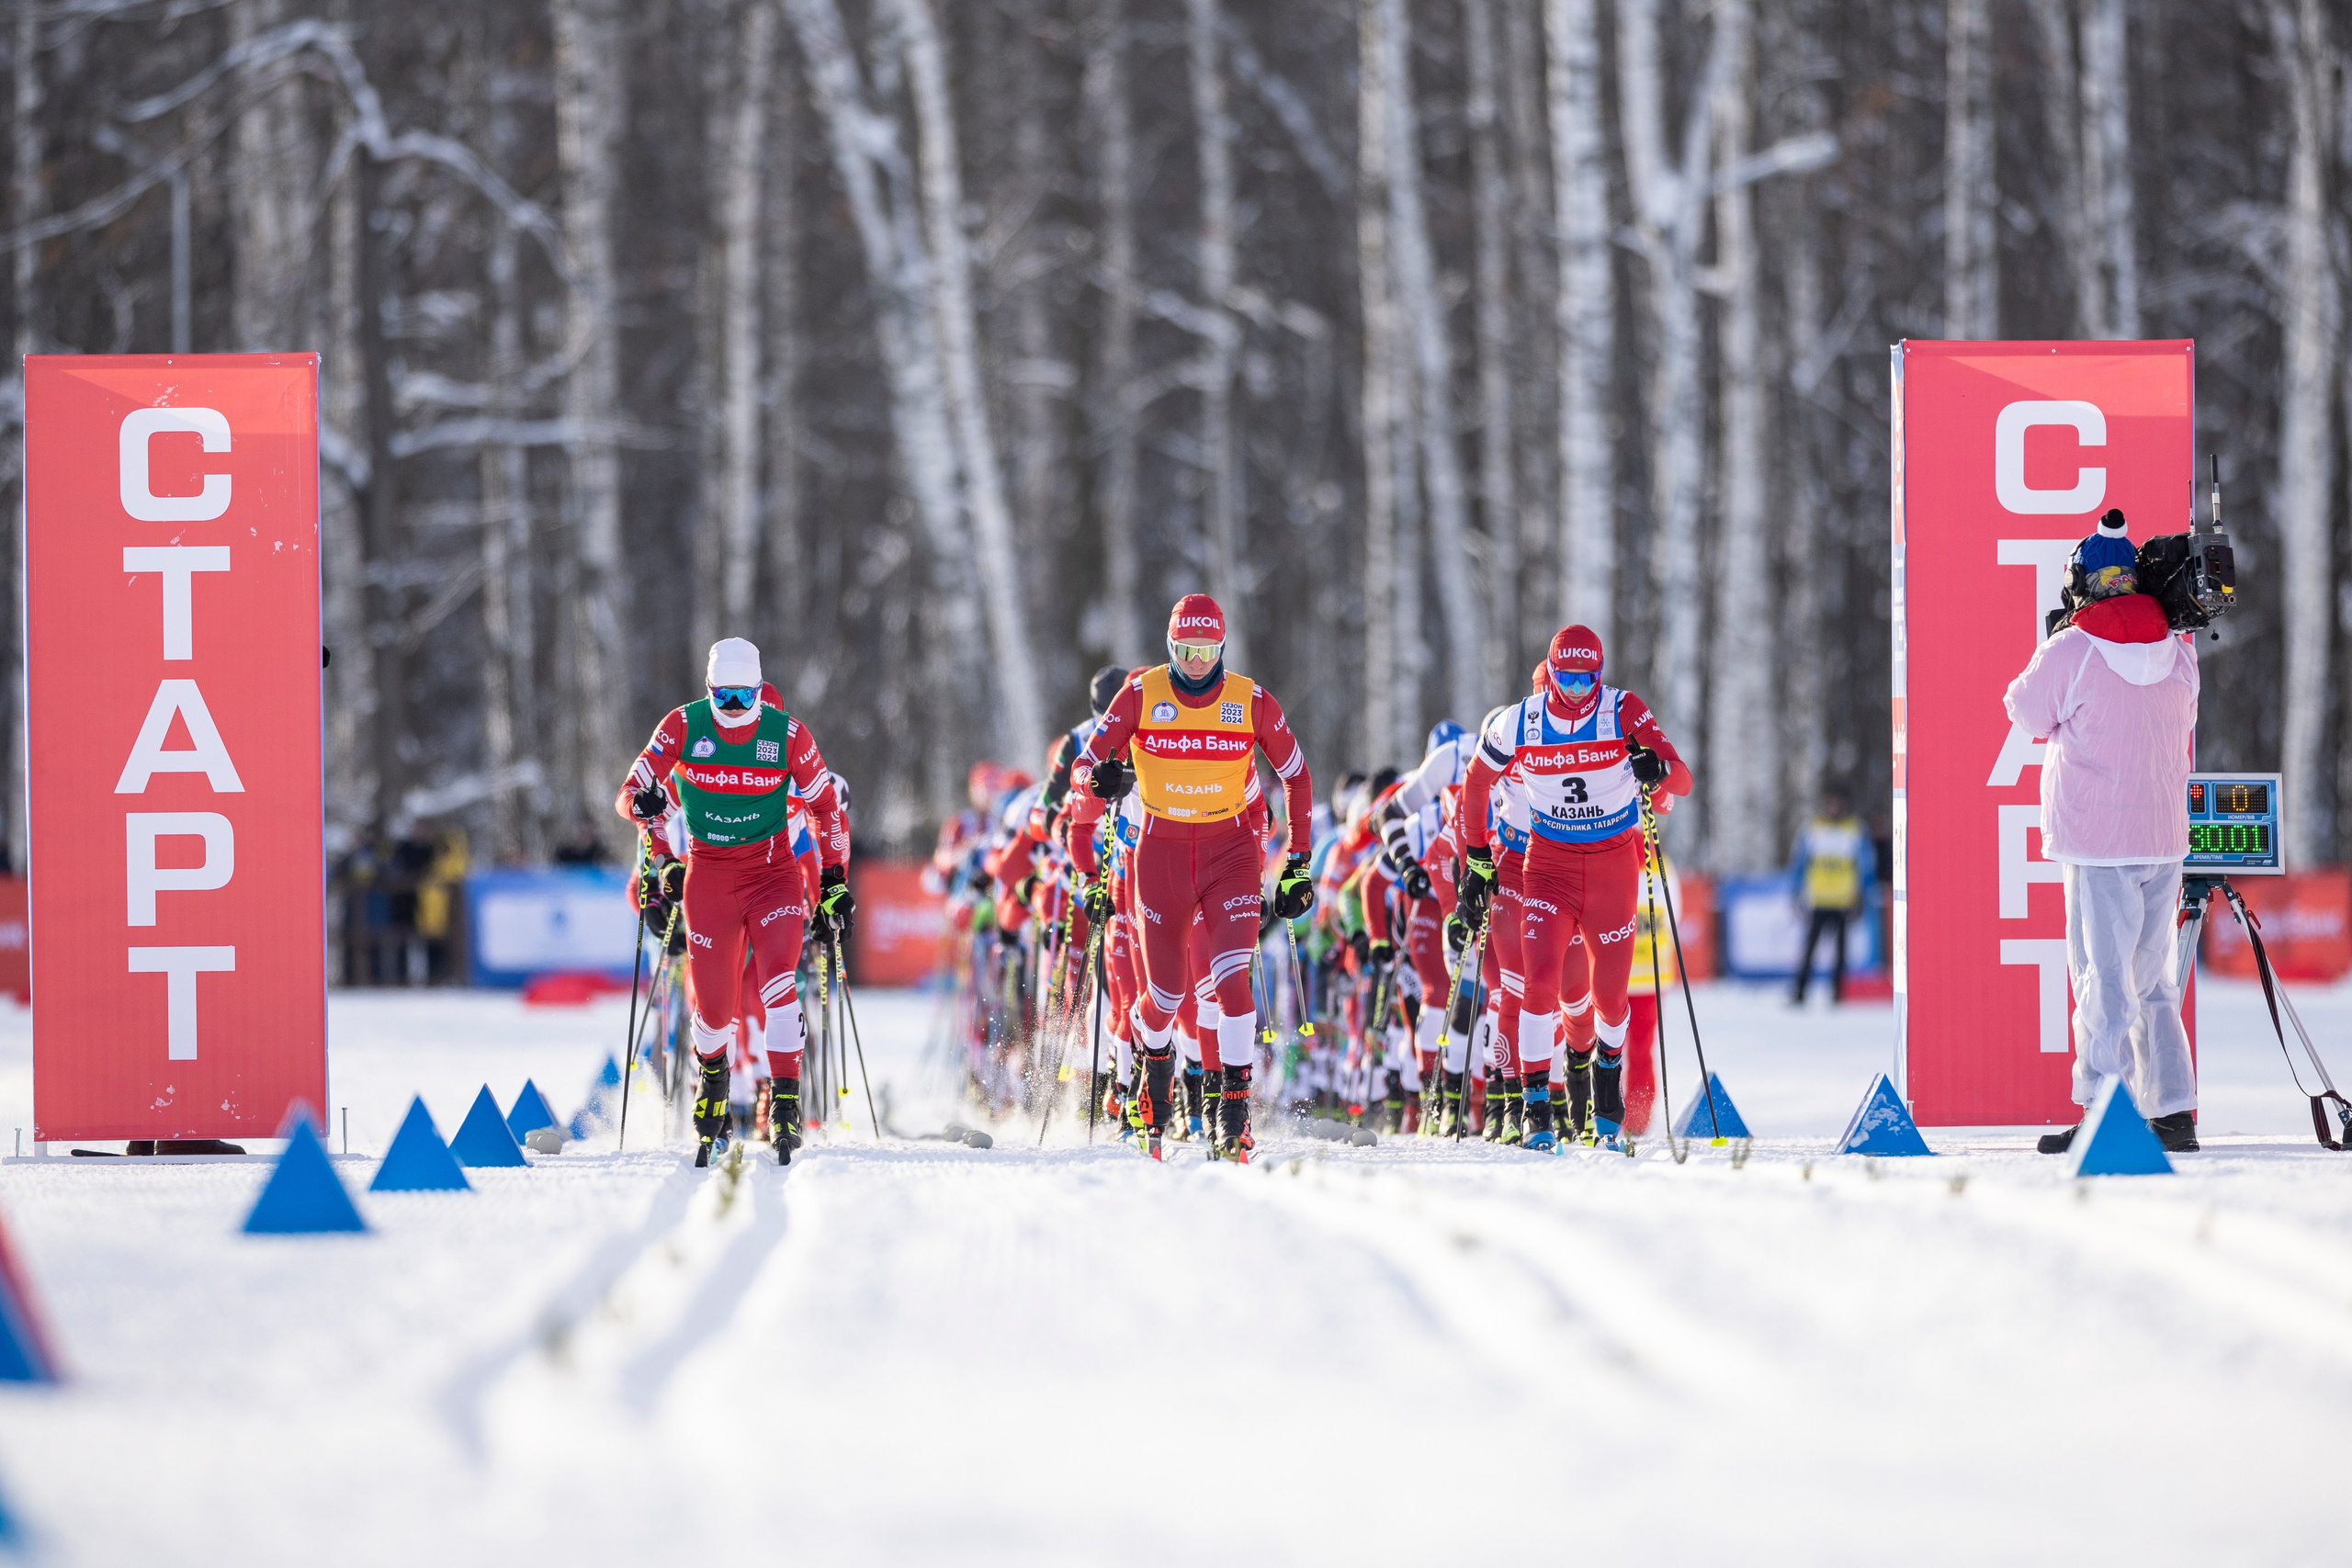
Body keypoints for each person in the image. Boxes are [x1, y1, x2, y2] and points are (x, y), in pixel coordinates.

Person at [1077, 593, 1316, 1161]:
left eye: (1208, 651)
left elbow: (1297, 777)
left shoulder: (1250, 700)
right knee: (1164, 997)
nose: (1197, 663)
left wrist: (1298, 863)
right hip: (1160, 855)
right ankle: (1151, 1091)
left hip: (1230, 852)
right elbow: (1085, 767)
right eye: (1186, 650)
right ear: (1170, 647)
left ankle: (1232, 1109)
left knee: (1231, 982)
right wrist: (1101, 781)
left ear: (1222, 648)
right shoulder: (1141, 693)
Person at [2004, 511, 2200, 1155]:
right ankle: (2172, 1109)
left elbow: (2024, 710)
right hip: (2165, 833)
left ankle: (2102, 1108)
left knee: (2100, 975)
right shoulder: (2179, 646)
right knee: (2153, 979)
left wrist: (2055, 639)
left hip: (2097, 837)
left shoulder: (2073, 646)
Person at [616, 637, 854, 1166]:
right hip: (709, 878)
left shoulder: (788, 737)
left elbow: (828, 811)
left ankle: (784, 1095)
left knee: (774, 983)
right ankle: (716, 1086)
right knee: (716, 1009)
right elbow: (632, 795)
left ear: (760, 696)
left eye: (745, 699)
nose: (735, 711)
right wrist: (656, 862)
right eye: (724, 698)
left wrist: (833, 886)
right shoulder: (682, 726)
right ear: (708, 690)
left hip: (773, 875)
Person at [1457, 625, 1692, 1152]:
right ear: (1551, 672)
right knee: (1539, 981)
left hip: (1612, 868)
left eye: (1588, 679)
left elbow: (1682, 778)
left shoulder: (1622, 709)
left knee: (1610, 998)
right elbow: (1475, 782)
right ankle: (1536, 1106)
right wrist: (1475, 858)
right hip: (1549, 866)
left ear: (1600, 674)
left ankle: (1604, 1085)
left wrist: (1657, 770)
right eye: (1568, 678)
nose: (1579, 691)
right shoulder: (1521, 720)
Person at [1788, 787, 1872, 1005]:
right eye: (1830, 802)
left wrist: (1862, 894)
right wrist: (1795, 891)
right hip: (1819, 900)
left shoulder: (1854, 829)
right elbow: (1800, 862)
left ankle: (1837, 994)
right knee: (1809, 950)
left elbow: (1865, 866)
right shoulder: (1813, 828)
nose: (1833, 806)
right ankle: (1800, 991)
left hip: (1844, 900)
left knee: (1841, 953)